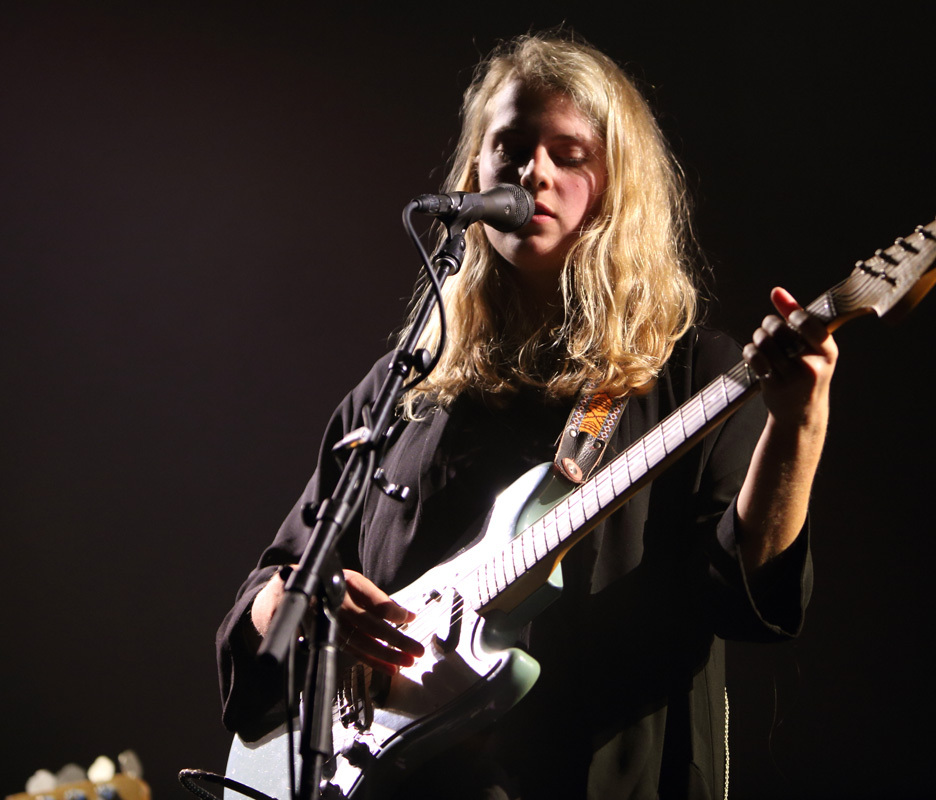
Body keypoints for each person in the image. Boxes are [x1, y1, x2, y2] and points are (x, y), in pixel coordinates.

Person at [217, 31, 837, 799]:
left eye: (569, 152)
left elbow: (747, 597)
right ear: (475, 169)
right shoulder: (403, 390)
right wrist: (304, 608)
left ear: (618, 184)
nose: (532, 173)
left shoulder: (692, 375)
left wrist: (798, 420)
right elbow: (269, 592)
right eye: (508, 146)